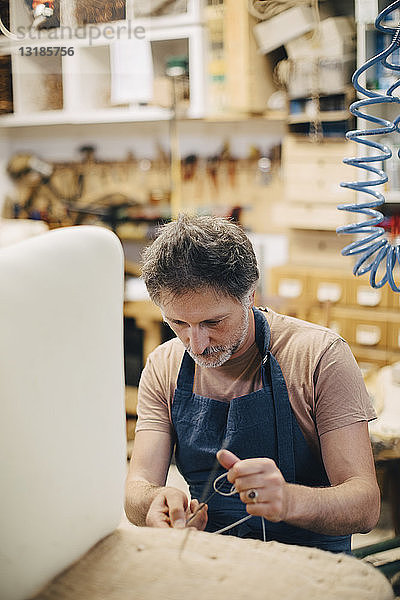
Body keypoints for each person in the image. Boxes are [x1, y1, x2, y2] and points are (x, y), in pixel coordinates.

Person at [125, 214, 380, 553]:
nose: (196, 343)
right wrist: (155, 502)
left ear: (250, 295)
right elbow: (136, 488)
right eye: (178, 323)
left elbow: (365, 506)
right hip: (212, 560)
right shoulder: (164, 365)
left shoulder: (319, 356)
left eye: (212, 322)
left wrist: (291, 501)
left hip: (310, 566)